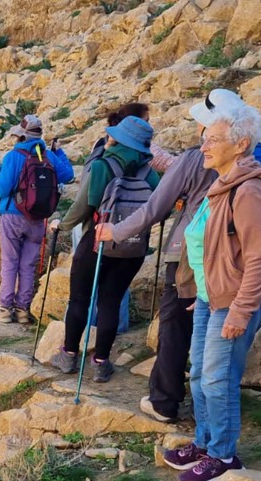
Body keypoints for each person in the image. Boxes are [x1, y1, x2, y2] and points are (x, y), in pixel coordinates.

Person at [96, 89, 261, 422]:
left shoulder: (195, 158)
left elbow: (155, 208)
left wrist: (115, 231)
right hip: (237, 261)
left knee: (176, 326)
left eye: (203, 126)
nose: (202, 134)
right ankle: (206, 411)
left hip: (189, 255)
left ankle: (167, 402)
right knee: (212, 337)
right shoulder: (260, 156)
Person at [163, 103, 261, 481]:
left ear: (241, 143)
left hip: (239, 299)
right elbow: (213, 250)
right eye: (203, 139)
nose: (204, 147)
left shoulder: (249, 191)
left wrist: (239, 311)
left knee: (218, 378)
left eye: (212, 140)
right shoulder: (221, 185)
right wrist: (205, 291)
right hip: (212, 295)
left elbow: (260, 258)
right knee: (199, 373)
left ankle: (224, 455)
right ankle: (204, 442)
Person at [48, 116, 160, 382]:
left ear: (118, 139)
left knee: (80, 299)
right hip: (131, 247)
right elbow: (158, 209)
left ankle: (69, 355)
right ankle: (101, 362)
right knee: (110, 301)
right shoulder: (150, 173)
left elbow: (85, 205)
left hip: (96, 241)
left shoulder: (102, 165)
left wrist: (61, 225)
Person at [0, 115, 74, 323]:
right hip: (37, 218)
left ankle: (5, 310)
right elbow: (69, 174)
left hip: (13, 215)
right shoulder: (48, 156)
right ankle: (23, 310)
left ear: (22, 135)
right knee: (28, 265)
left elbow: (2, 189)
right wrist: (59, 151)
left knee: (10, 262)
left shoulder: (13, 156)